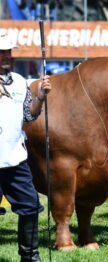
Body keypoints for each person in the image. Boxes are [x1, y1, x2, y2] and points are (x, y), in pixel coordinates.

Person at [0, 34, 51, 262]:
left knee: (30, 206)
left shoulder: (20, 81)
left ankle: (30, 257)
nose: (6, 56)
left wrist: (40, 97)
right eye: (1, 52)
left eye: (8, 52)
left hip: (15, 157)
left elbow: (29, 114)